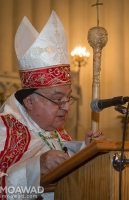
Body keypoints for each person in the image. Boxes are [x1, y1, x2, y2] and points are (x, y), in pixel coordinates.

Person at [0, 11, 106, 200]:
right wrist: (36, 167)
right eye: (58, 100)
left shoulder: (57, 133)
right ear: (29, 101)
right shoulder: (4, 130)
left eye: (68, 98)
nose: (66, 107)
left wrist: (87, 152)